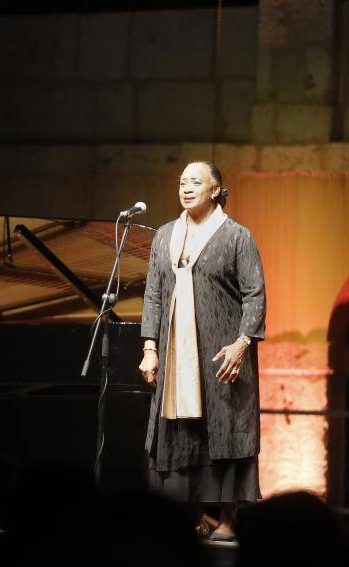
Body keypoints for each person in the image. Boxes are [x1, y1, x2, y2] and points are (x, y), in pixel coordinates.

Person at [138, 161, 266, 542]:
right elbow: (154, 294)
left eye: (195, 182)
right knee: (180, 430)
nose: (186, 187)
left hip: (221, 351)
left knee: (223, 429)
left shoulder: (236, 236)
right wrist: (150, 347)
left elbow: (254, 294)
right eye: (181, 181)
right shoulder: (164, 236)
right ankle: (188, 517)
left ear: (215, 190)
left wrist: (242, 344)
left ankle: (226, 517)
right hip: (176, 351)